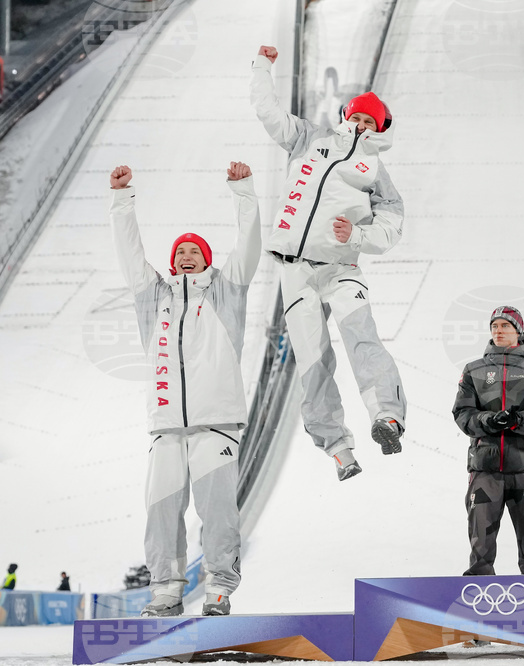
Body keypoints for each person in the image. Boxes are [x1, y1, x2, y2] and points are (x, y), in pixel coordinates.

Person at [109, 161, 261, 617]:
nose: (187, 255)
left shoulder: (226, 291)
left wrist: (243, 191)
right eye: (181, 251)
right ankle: (166, 592)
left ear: (207, 259)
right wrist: (121, 198)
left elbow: (248, 245)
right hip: (166, 426)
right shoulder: (154, 295)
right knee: (161, 512)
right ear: (172, 261)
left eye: (196, 251)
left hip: (216, 423)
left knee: (218, 512)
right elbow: (129, 252)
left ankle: (219, 589)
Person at [251, 45, 406, 481]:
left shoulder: (374, 170)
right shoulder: (309, 138)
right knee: (312, 358)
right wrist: (262, 67)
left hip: (340, 269)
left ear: (380, 128)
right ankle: (338, 447)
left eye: (369, 122)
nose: (361, 126)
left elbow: (392, 224)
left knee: (362, 339)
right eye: (357, 118)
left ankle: (387, 417)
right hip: (296, 269)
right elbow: (268, 112)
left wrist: (356, 235)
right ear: (345, 117)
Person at [453, 307, 524, 576]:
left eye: (505, 326)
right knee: (480, 557)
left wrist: (517, 420)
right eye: (494, 326)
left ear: (518, 330)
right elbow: (462, 413)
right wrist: (488, 420)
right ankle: (478, 597)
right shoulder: (474, 370)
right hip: (484, 470)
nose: (498, 331)